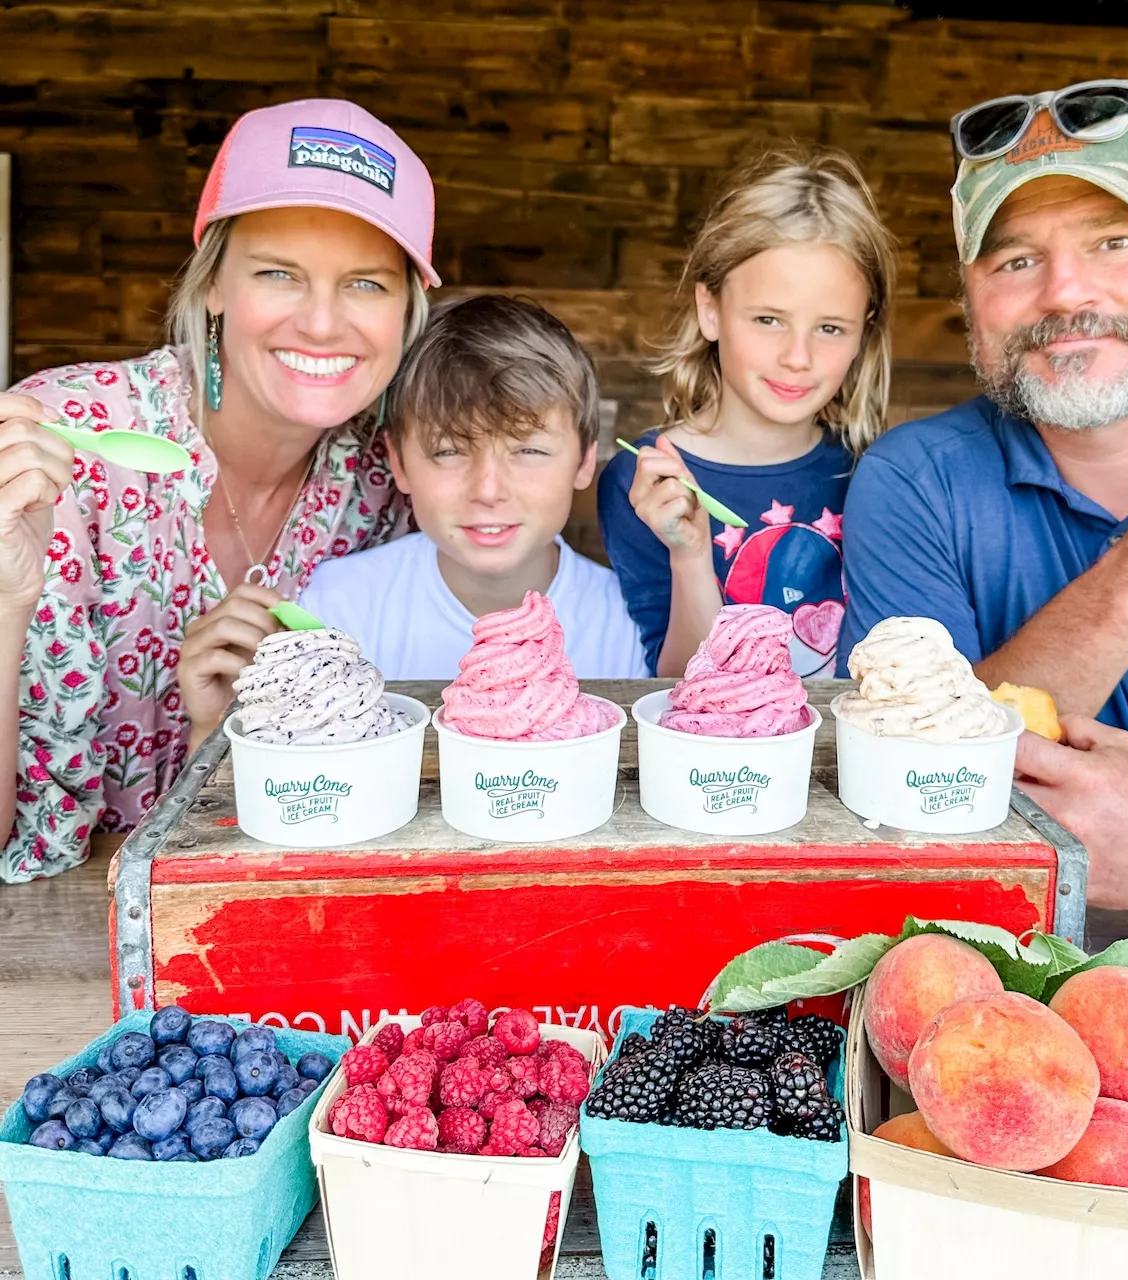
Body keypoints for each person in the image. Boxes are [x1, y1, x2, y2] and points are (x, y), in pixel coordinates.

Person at [837, 81, 1128, 929]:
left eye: (1115, 240)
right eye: (1015, 260)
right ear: (971, 295)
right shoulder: (914, 483)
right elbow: (908, 806)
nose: (1065, 293)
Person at [0, 98, 441, 882]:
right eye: (279, 273)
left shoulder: (390, 483)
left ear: (406, 308)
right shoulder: (62, 442)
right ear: (213, 287)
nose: (321, 321)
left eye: (367, 284)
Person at [597, 148, 896, 678]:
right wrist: (689, 555)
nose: (797, 357)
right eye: (768, 319)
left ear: (863, 333)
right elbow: (676, 685)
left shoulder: (876, 473)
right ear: (709, 309)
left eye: (830, 328)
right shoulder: (646, 480)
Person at [298, 295, 647, 679]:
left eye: (528, 450)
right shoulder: (333, 611)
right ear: (398, 462)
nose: (488, 489)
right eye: (449, 452)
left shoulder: (629, 624)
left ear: (583, 461)